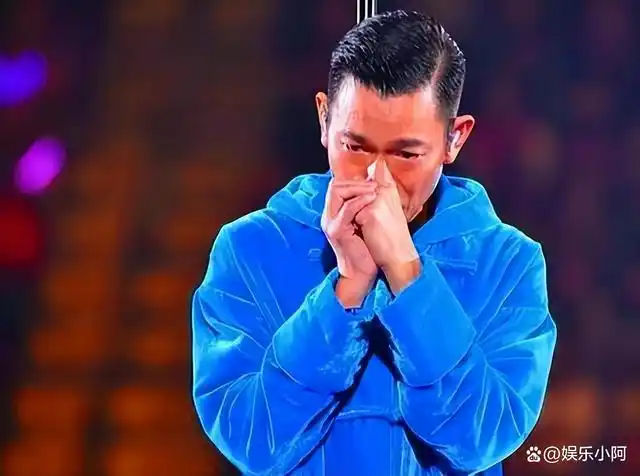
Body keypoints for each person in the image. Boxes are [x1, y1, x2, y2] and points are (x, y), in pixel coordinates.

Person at [191, 10, 557, 476]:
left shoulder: (508, 263)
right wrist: (348, 287)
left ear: (455, 138)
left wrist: (405, 271)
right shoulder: (249, 250)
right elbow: (252, 441)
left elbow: (480, 439)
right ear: (324, 119)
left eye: (406, 153)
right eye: (355, 146)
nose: (376, 178)